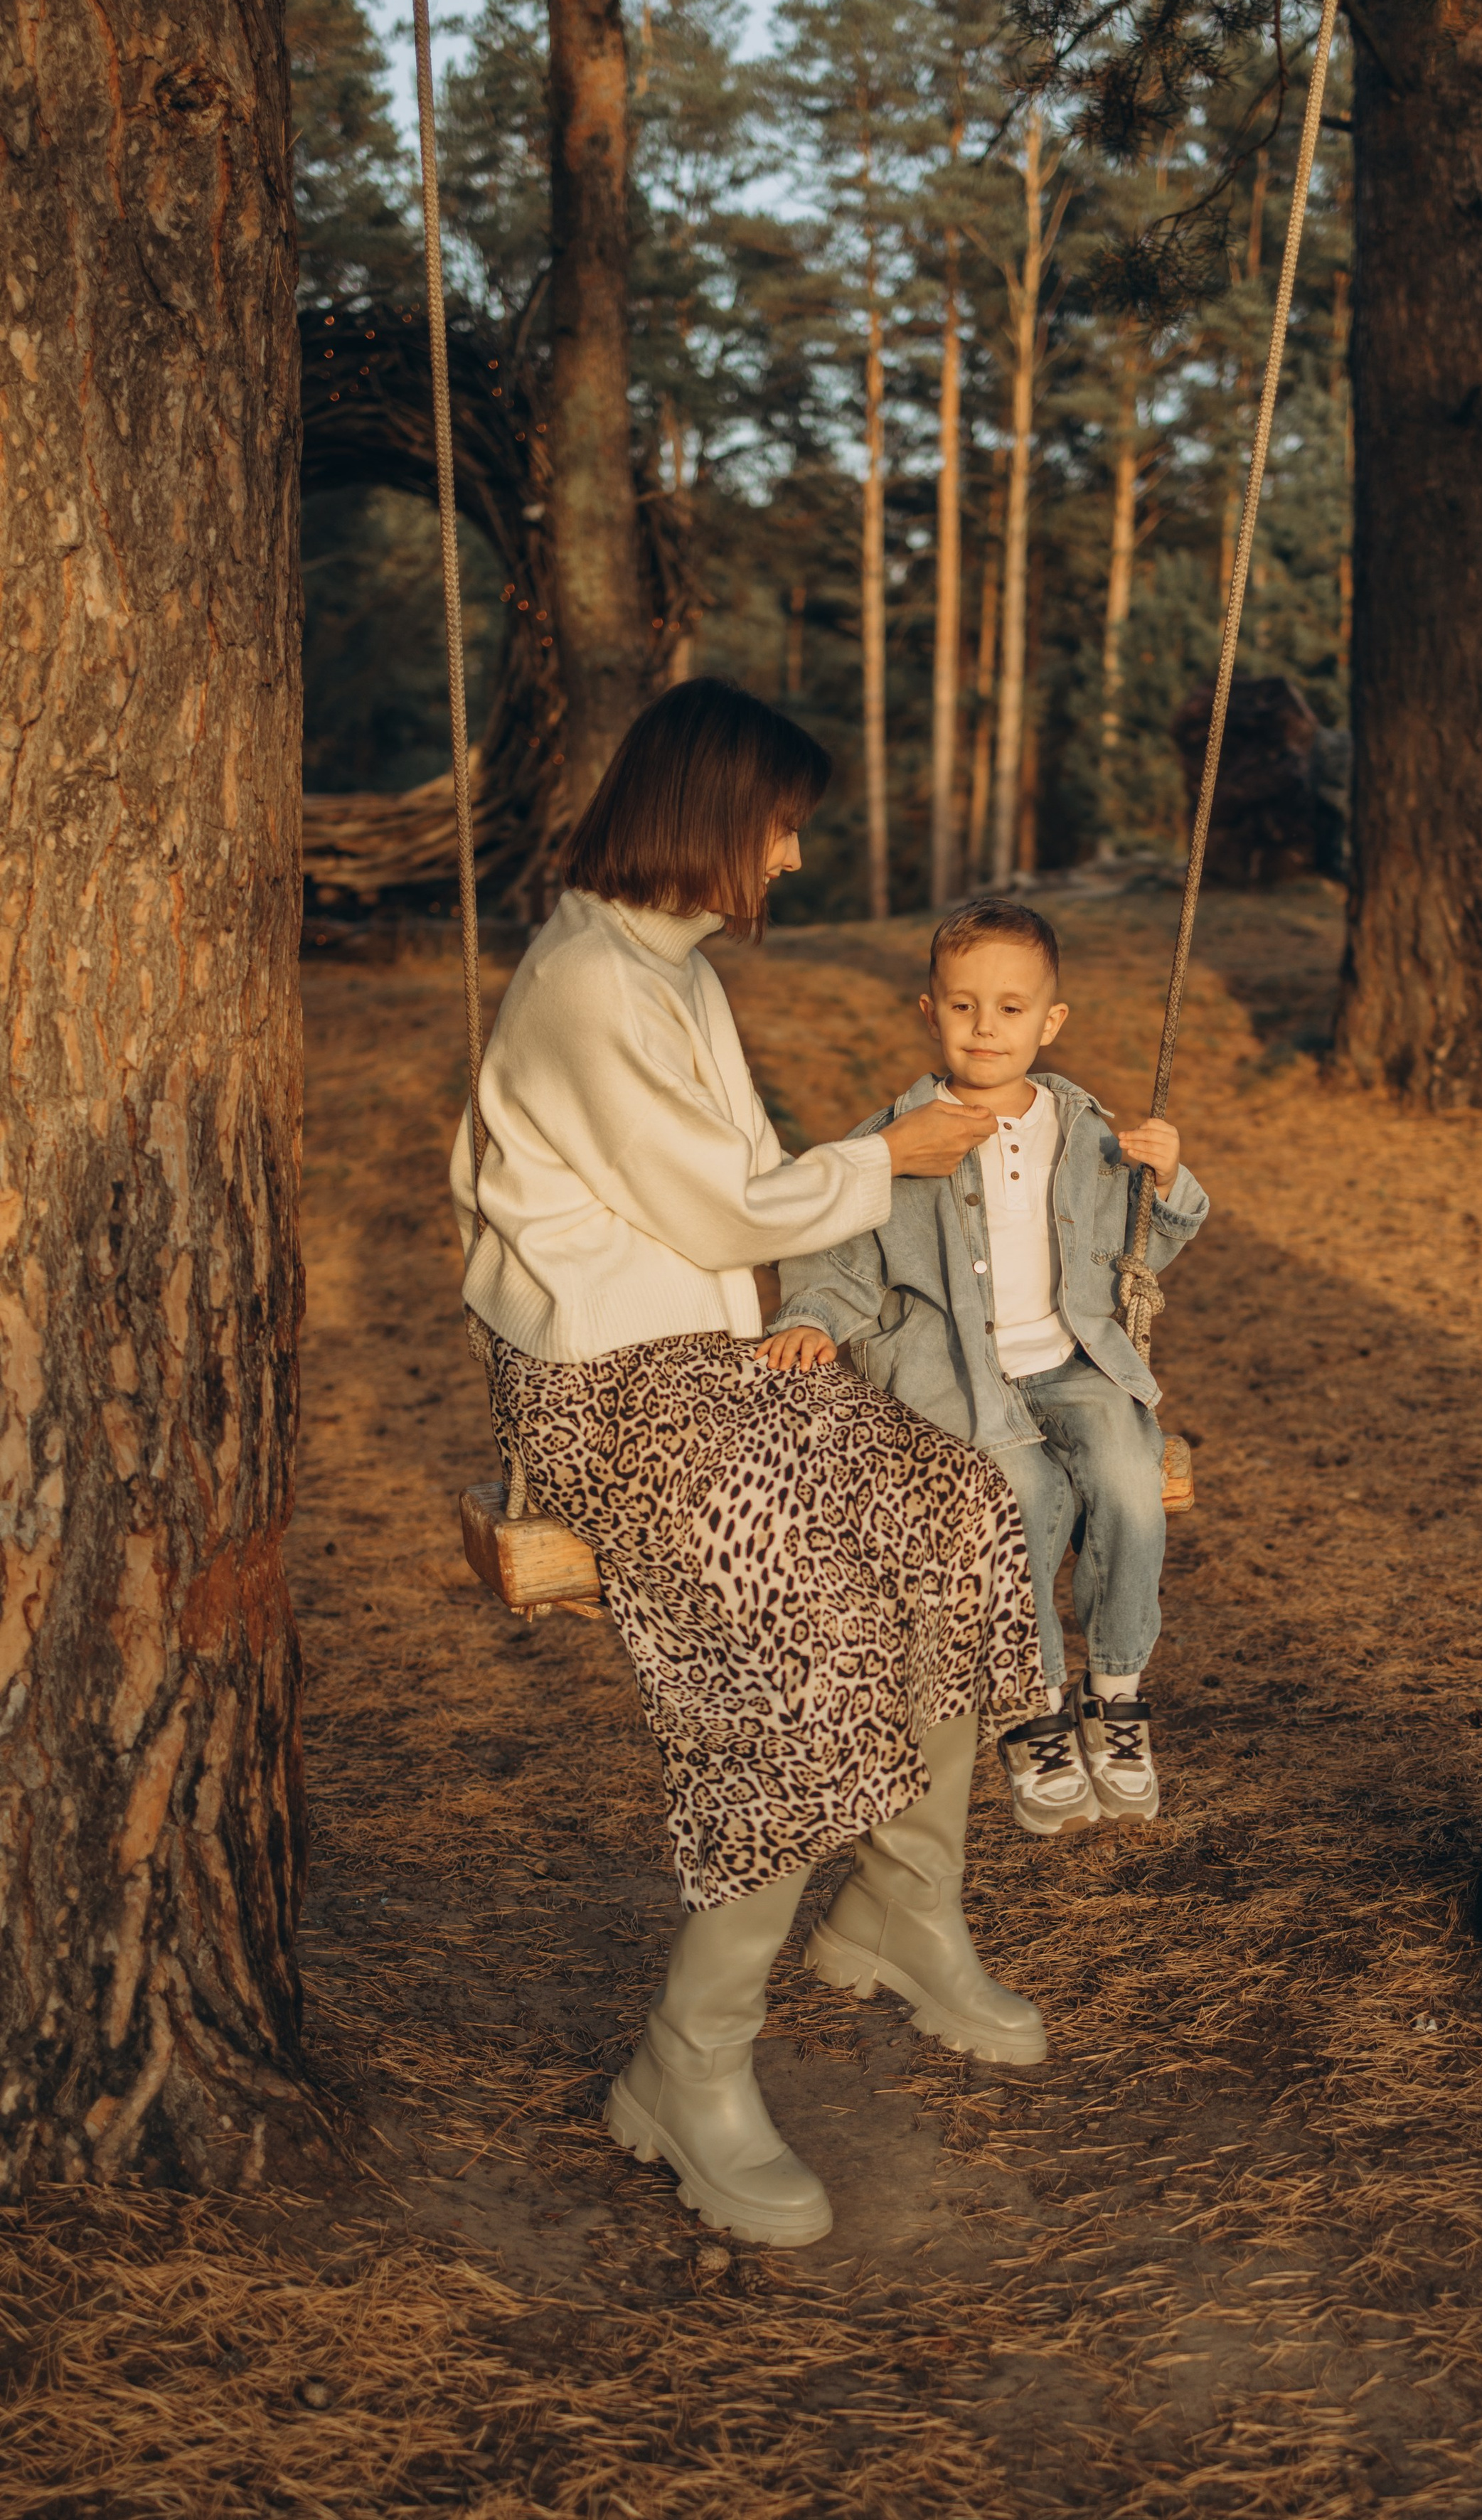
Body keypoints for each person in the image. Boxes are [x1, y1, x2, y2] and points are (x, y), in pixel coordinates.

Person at [451, 687, 1046, 2253]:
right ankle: (689, 2060)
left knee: (956, 1509)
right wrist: (891, 1159)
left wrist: (867, 1197)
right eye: (779, 827)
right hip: (605, 1387)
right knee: (805, 1629)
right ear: (712, 815)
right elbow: (724, 1206)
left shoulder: (673, 964)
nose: (788, 858)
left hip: (713, 1363)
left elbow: (750, 1191)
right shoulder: (589, 981)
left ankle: (903, 1908)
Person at [762, 898, 1207, 1838]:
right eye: (963, 1007)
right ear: (931, 1013)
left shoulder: (1085, 1130)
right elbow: (842, 1257)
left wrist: (1168, 1182)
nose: (986, 1028)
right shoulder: (897, 1138)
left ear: (1051, 1022)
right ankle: (1032, 1711)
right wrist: (810, 1319)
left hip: (1073, 1360)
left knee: (1129, 1476)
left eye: (1011, 1009)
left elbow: (1139, 1253)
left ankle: (1116, 1694)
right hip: (957, 1376)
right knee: (1021, 1498)